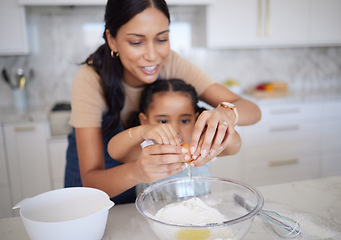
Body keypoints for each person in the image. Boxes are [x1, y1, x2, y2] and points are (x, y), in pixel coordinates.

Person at [65, 0, 261, 204]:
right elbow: (91, 181)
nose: (152, 56)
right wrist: (137, 171)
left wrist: (227, 113)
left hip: (146, 193)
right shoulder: (91, 79)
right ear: (112, 41)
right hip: (99, 187)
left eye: (162, 39)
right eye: (136, 42)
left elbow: (253, 111)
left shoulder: (171, 63)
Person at [107, 79, 242, 193]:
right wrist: (142, 131)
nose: (175, 129)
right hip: (155, 218)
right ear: (145, 120)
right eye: (163, 121)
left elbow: (235, 146)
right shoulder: (148, 149)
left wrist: (219, 128)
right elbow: (114, 151)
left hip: (200, 217)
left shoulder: (202, 144)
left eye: (184, 121)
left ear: (196, 119)